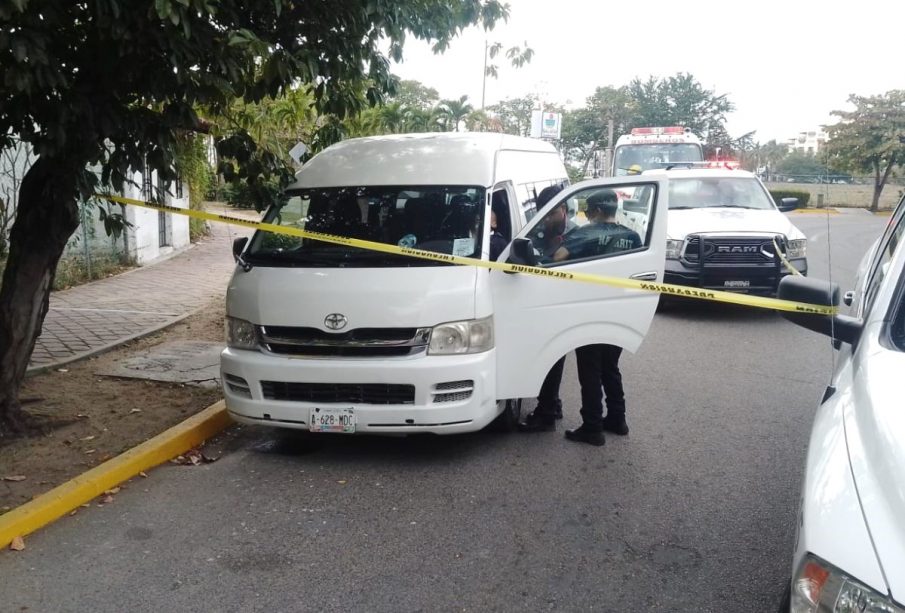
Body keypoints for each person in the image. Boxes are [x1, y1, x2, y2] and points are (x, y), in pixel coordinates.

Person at [557, 189, 641, 446]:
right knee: (610, 368)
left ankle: (592, 426)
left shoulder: (583, 234)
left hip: (590, 311)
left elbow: (557, 258)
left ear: (593, 211)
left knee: (590, 369)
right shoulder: (633, 236)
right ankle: (618, 418)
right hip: (620, 312)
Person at [518, 183, 571, 432]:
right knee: (551, 358)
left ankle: (546, 411)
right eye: (543, 214)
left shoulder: (578, 235)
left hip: (564, 305)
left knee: (552, 357)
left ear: (563, 209)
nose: (546, 219)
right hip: (539, 303)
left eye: (551, 213)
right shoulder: (536, 231)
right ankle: (552, 404)